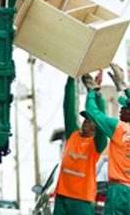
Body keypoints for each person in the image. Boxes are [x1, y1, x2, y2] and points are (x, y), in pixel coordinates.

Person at [53, 73, 107, 215]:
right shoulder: (73, 135)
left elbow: (103, 121)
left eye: (89, 120)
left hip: (82, 201)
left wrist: (96, 94)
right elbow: (69, 108)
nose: (85, 122)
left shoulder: (96, 145)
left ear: (96, 127)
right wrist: (71, 79)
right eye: (85, 119)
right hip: (62, 197)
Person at [84, 63, 130, 215]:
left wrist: (93, 91)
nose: (121, 109)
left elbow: (92, 111)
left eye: (125, 108)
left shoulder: (119, 128)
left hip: (119, 192)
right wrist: (124, 86)